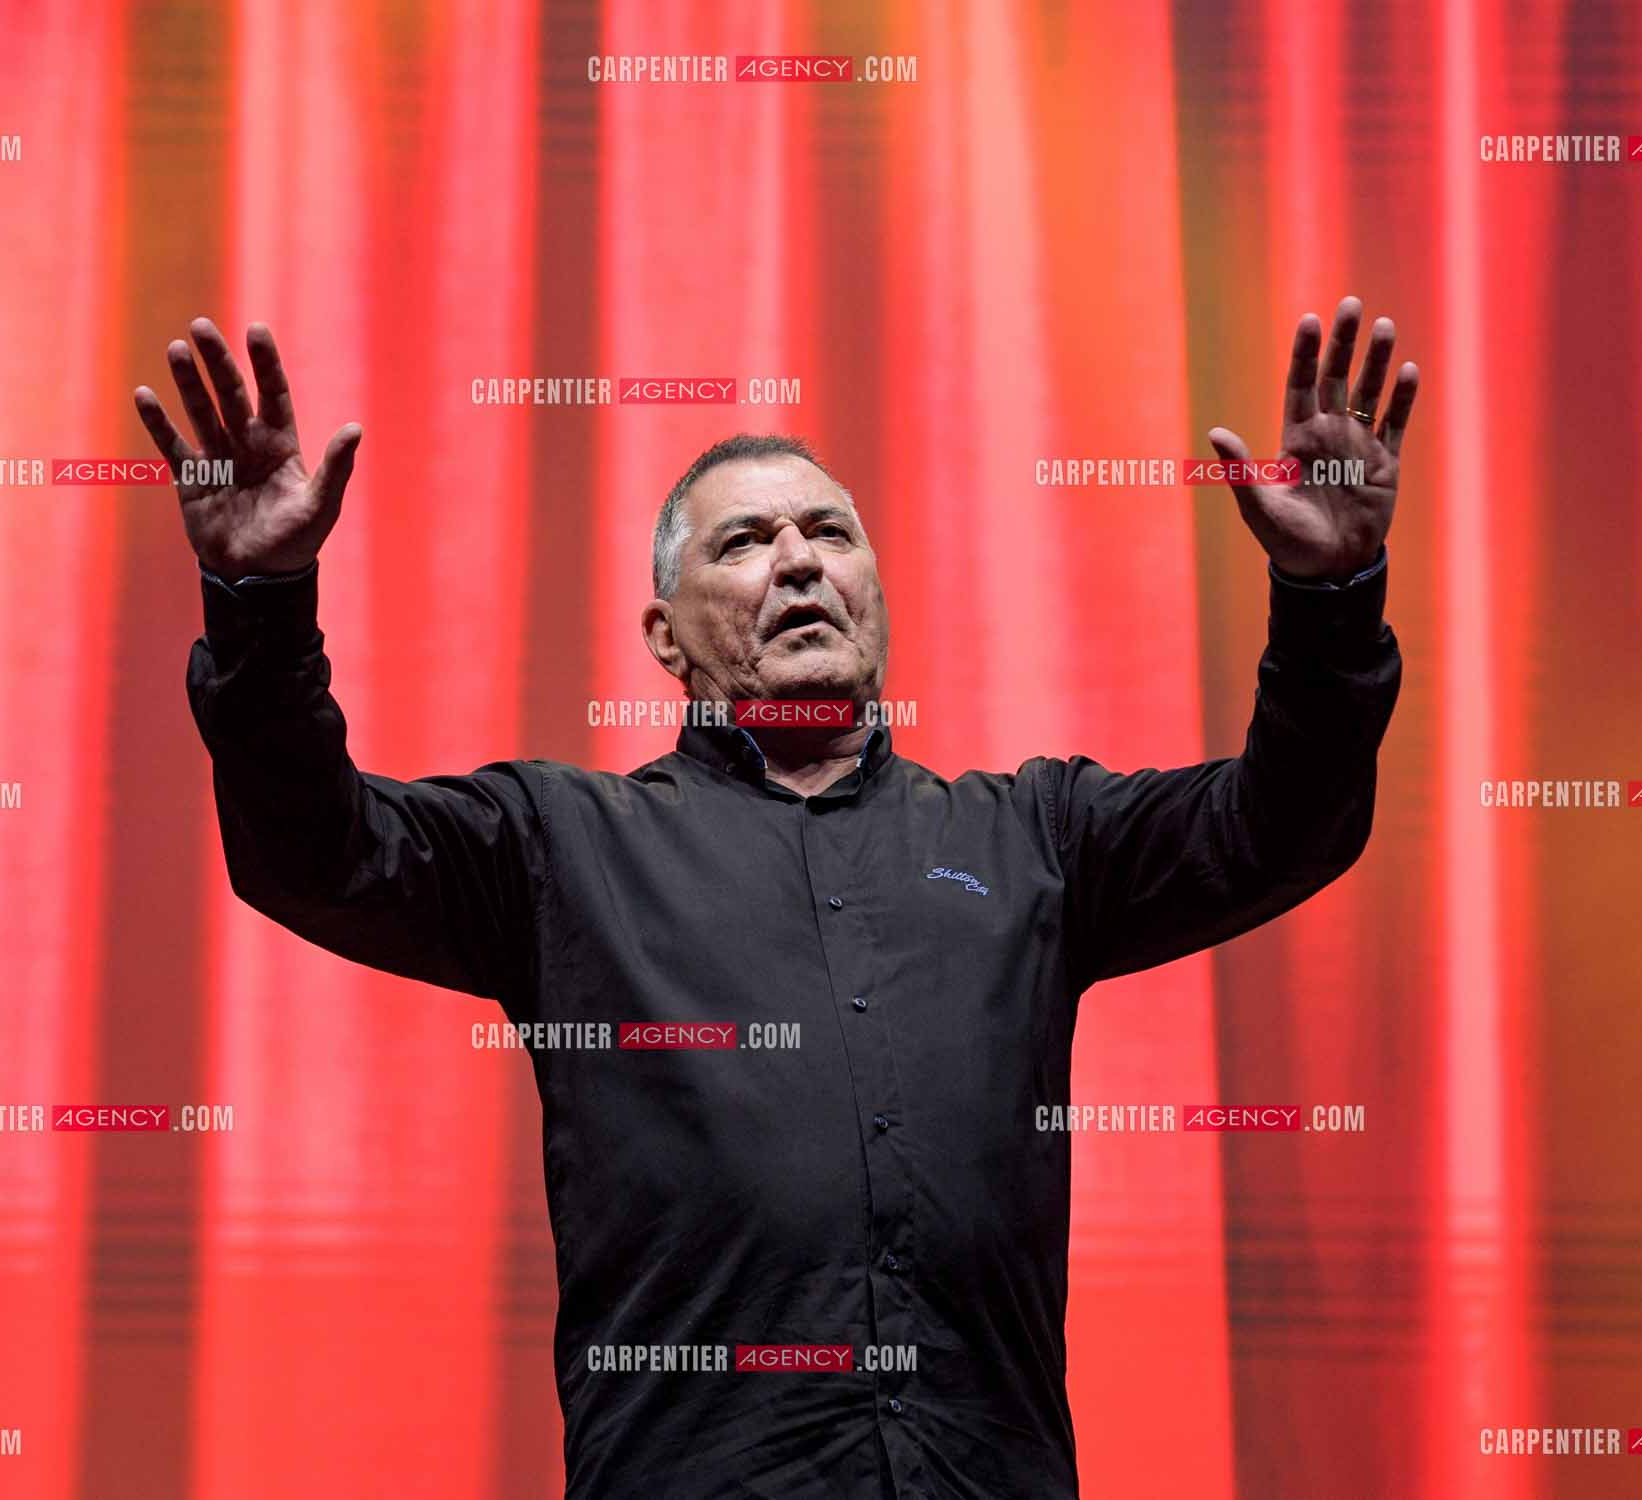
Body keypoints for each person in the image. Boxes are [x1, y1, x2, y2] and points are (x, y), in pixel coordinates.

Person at [133, 299, 1414, 1499]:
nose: (800, 562)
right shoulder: (563, 848)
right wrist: (260, 608)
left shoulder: (1036, 836)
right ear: (664, 634)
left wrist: (1329, 606)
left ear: (876, 594)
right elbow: (313, 849)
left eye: (831, 534)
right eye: (746, 543)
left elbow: (1283, 824)